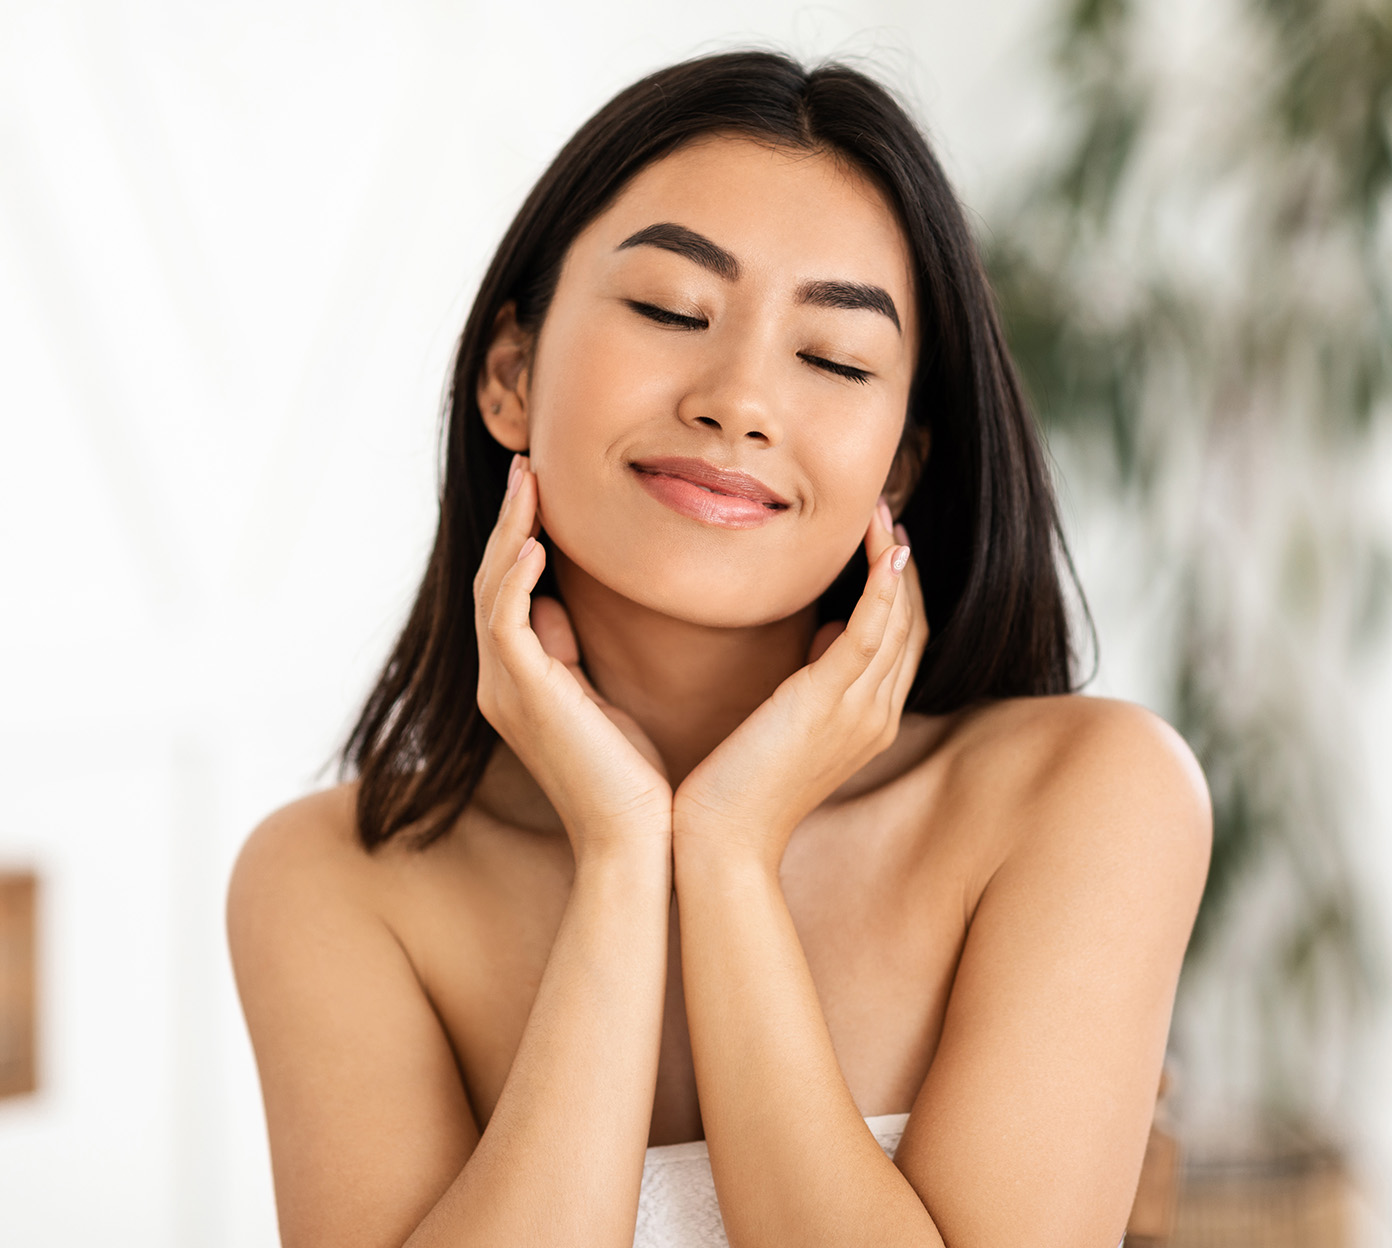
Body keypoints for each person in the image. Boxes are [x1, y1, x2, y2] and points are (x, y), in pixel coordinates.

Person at [227, 49, 1211, 1248]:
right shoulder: (332, 882)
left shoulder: (1087, 795)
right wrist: (623, 858)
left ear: (899, 465)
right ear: (509, 374)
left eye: (835, 359)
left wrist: (731, 852)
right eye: (670, 310)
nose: (740, 398)